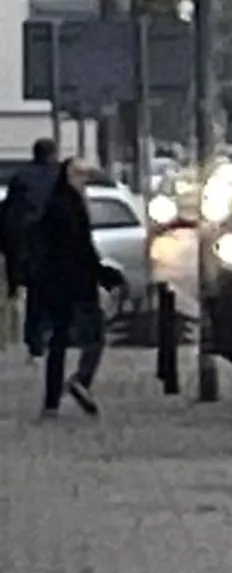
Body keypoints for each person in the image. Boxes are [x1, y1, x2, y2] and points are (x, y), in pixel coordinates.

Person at [27, 159, 120, 418]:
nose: (84, 180)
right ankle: (81, 381)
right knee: (95, 335)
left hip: (56, 283)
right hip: (75, 283)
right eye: (80, 174)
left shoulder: (56, 203)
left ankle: (52, 401)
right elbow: (81, 248)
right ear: (67, 176)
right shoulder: (70, 207)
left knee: (59, 341)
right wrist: (102, 274)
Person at [2, 138, 61, 362]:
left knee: (35, 295)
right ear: (53, 153)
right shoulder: (60, 177)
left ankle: (35, 341)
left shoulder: (21, 177)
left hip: (28, 245)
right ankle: (54, 336)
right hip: (55, 243)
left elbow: (9, 213)